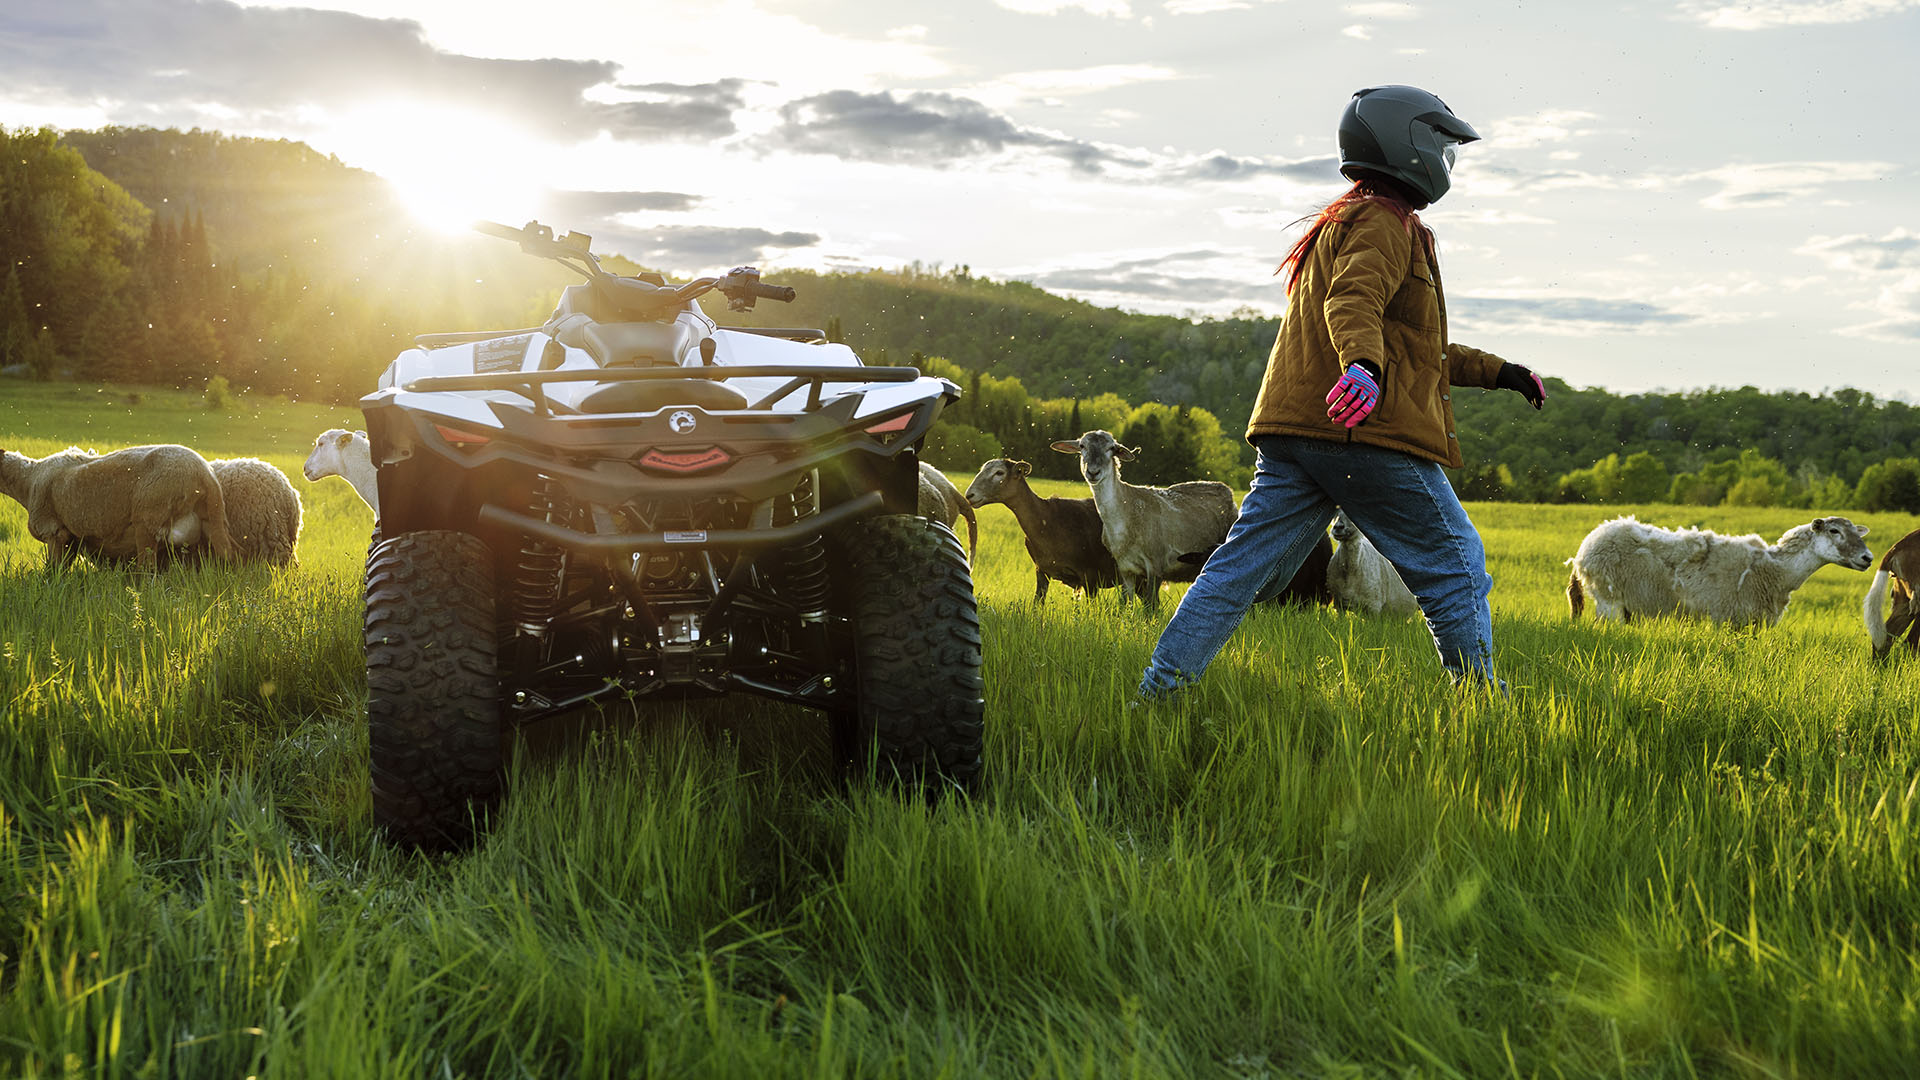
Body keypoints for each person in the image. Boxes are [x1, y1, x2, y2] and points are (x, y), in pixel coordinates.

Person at [1137, 84, 1547, 698]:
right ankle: (1482, 699)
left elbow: (1410, 347)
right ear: (1407, 146)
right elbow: (1352, 304)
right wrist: (1362, 368)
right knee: (1457, 566)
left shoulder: (1343, 221)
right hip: (1359, 429)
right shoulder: (1385, 222)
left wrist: (1499, 371)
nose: (1448, 159)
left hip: (1297, 431)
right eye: (1441, 144)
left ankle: (1159, 690)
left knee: (1242, 570)